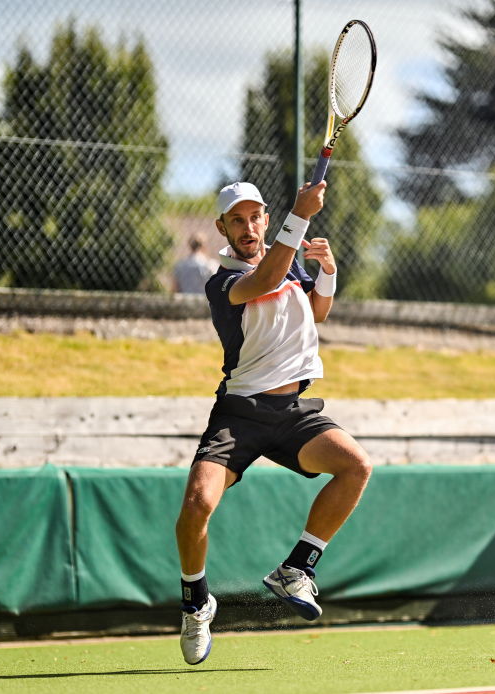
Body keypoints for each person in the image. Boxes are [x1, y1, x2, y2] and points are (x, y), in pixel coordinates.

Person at [175, 180, 372, 665]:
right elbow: (263, 281)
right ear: (221, 228)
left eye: (254, 217)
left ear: (265, 219)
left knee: (356, 466)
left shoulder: (291, 266)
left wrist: (326, 271)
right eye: (236, 220)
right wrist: (300, 215)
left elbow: (317, 311)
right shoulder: (222, 281)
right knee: (198, 505)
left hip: (292, 413)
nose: (247, 227)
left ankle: (295, 570)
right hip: (240, 413)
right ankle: (197, 602)